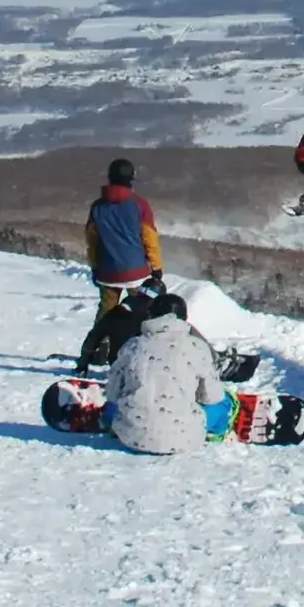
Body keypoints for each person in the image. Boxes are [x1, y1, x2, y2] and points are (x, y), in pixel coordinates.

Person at [104, 295, 228, 455]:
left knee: (112, 408)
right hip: (185, 439)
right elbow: (212, 397)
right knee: (221, 406)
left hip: (130, 436)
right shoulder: (197, 346)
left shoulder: (133, 345)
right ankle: (217, 432)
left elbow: (112, 393)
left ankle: (114, 425)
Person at [85, 158, 163, 319]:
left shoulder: (97, 207)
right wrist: (156, 266)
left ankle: (99, 341)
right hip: (136, 272)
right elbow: (149, 238)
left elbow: (92, 241)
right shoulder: (140, 205)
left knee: (106, 312)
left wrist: (95, 266)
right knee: (141, 312)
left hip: (107, 272)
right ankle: (138, 341)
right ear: (130, 179)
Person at [75, 271, 179, 374]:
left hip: (117, 364)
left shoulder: (117, 311)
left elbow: (94, 336)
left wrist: (82, 364)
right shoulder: (158, 316)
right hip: (148, 370)